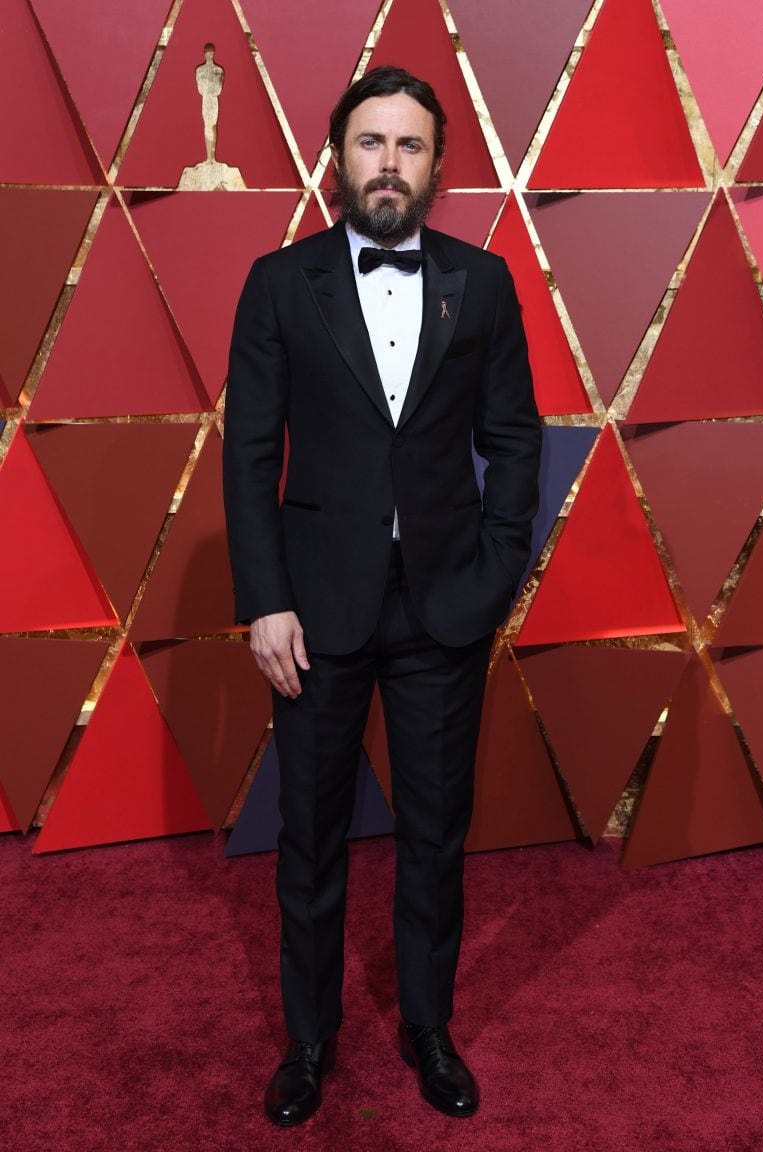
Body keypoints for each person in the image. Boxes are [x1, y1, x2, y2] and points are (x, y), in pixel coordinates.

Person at [223, 65, 541, 1127]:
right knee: (309, 839)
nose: (389, 164)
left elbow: (514, 440)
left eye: (409, 146)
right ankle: (309, 1041)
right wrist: (265, 600)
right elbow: (250, 452)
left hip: (446, 607)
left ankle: (428, 1027)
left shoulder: (483, 282)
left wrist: (496, 576)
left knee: (436, 835)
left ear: (438, 166)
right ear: (338, 156)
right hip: (313, 613)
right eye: (371, 143)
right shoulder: (279, 281)